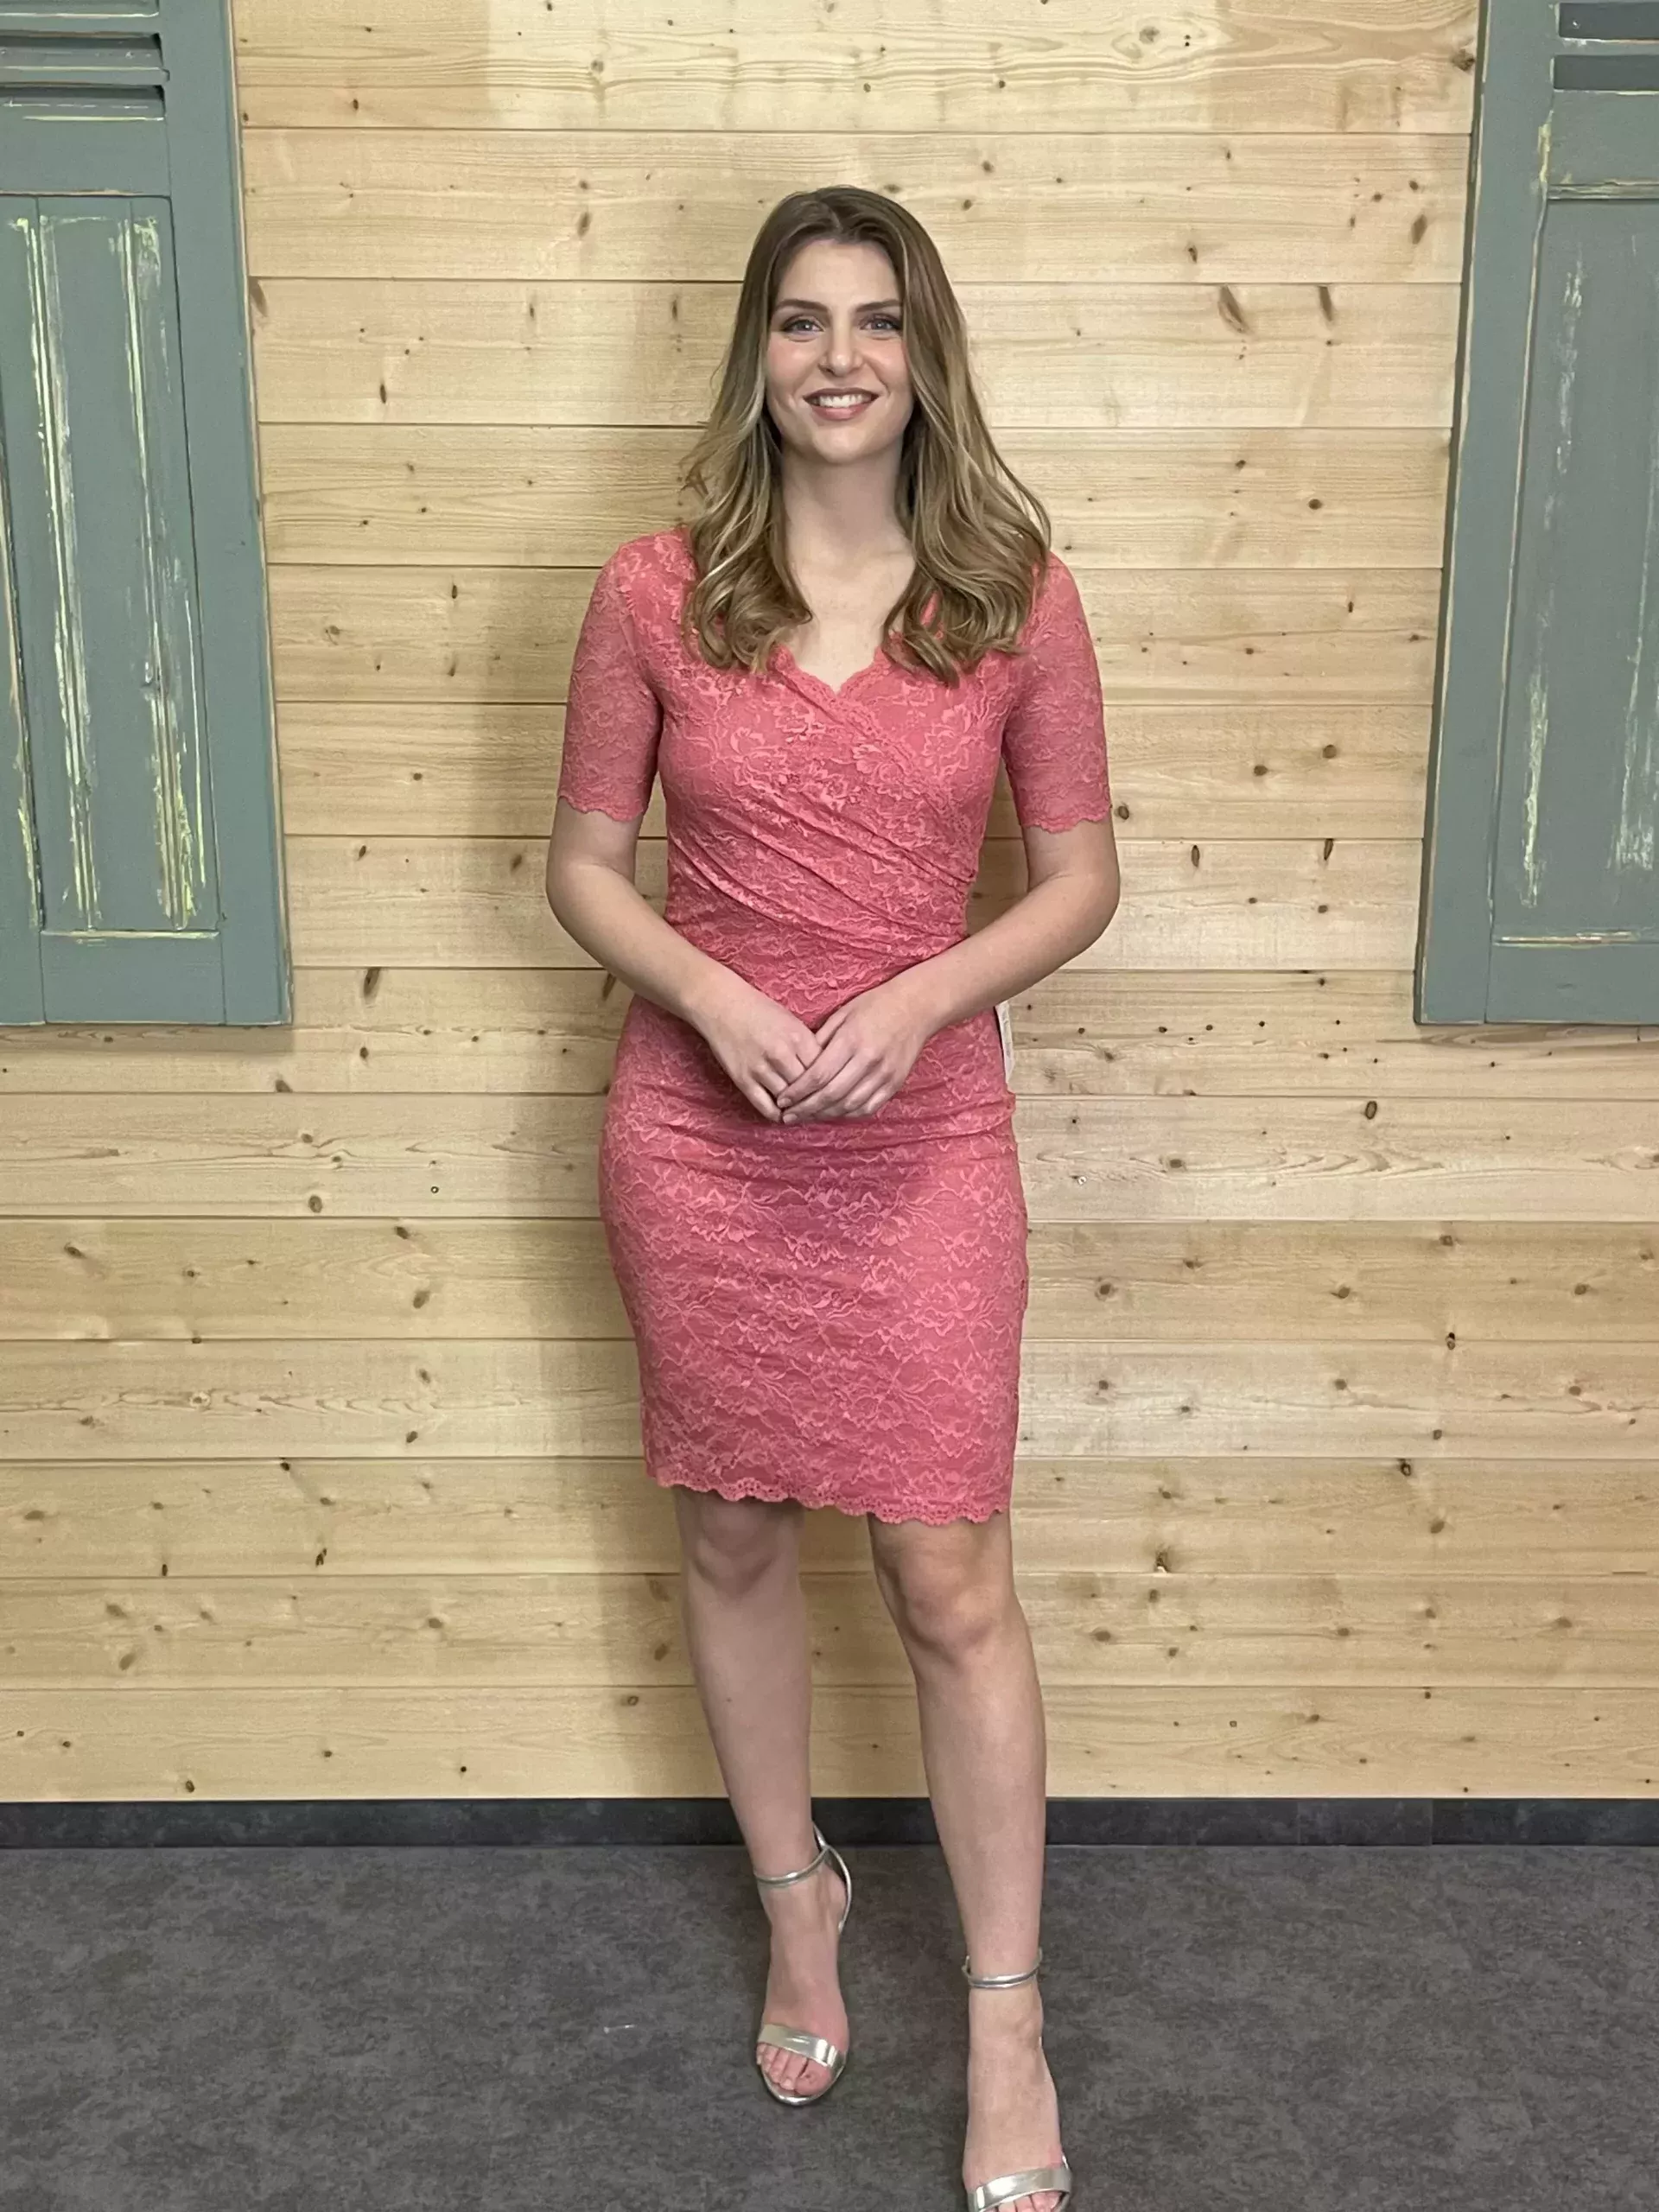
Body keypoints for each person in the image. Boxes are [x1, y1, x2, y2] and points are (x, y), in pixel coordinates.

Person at [544, 184, 1120, 2212]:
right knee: (729, 1528)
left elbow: (1081, 875)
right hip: (699, 1136)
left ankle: (1007, 2019)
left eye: (878, 320)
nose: (841, 356)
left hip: (923, 1135)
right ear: (759, 354)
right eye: (802, 320)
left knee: (950, 1577)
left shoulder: (1015, 593)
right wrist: (708, 994)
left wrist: (921, 995)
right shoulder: (654, 590)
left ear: (924, 353)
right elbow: (583, 863)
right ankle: (802, 1901)